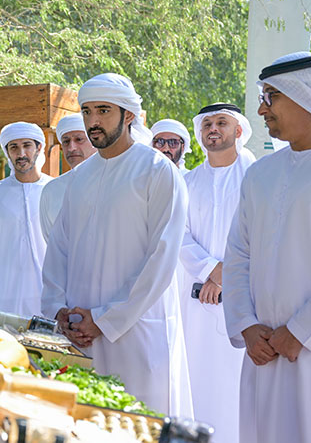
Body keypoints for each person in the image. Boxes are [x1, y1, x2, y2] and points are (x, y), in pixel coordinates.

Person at [41, 73, 192, 417]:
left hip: (136, 331)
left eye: (104, 111)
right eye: (87, 111)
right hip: (79, 331)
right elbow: (58, 251)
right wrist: (58, 310)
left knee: (140, 423)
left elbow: (162, 258)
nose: (93, 122)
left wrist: (107, 319)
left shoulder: (157, 171)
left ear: (129, 116)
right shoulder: (80, 177)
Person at [223, 52, 311, 443]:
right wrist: (246, 326)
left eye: (271, 97)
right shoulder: (261, 174)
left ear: (305, 94)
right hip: (263, 352)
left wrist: (301, 331)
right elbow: (238, 255)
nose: (261, 109)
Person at [180, 102, 254, 443]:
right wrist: (211, 270)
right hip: (195, 300)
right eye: (207, 123)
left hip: (245, 299)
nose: (213, 128)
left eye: (221, 122)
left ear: (237, 130)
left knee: (239, 382)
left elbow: (265, 232)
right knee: (197, 376)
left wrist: (226, 274)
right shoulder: (187, 181)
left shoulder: (258, 175)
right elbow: (176, 234)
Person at [0, 122, 52, 316]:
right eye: (14, 147)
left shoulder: (55, 189)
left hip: (49, 291)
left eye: (27, 145)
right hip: (6, 291)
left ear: (39, 147)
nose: (21, 153)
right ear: (7, 152)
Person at [39, 113, 96, 241]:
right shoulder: (51, 190)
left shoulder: (114, 181)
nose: (71, 148)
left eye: (79, 139)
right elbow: (50, 241)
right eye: (66, 141)